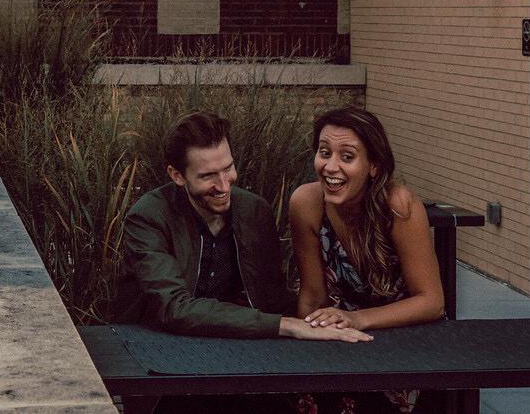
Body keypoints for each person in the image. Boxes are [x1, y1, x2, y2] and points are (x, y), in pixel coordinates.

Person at [118, 112, 371, 413]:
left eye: (228, 168)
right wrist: (285, 326)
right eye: (208, 176)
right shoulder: (148, 217)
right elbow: (174, 308)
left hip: (239, 354)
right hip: (163, 358)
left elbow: (271, 298)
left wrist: (327, 320)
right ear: (177, 175)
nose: (224, 185)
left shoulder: (254, 211)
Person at [289, 107, 446, 414]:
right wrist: (308, 346)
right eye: (324, 152)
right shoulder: (305, 204)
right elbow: (312, 297)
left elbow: (432, 302)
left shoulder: (399, 207)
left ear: (373, 165)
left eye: (347, 157)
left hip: (407, 337)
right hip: (344, 339)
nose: (330, 167)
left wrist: (358, 318)